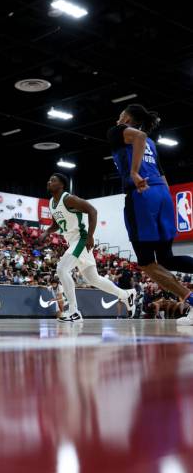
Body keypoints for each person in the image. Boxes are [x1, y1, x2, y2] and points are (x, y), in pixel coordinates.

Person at [108, 103, 193, 325]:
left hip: (141, 195)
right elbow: (162, 175)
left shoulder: (118, 131)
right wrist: (164, 200)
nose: (118, 119)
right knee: (166, 259)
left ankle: (190, 298)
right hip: (163, 194)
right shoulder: (152, 145)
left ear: (127, 118)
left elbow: (139, 137)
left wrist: (134, 172)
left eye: (120, 115)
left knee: (146, 263)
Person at [41, 173, 136, 322]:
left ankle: (74, 311)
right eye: (49, 179)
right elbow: (56, 224)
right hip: (72, 242)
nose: (49, 181)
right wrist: (46, 231)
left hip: (81, 239)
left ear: (61, 185)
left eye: (53, 180)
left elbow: (93, 210)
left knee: (62, 269)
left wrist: (91, 236)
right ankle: (126, 295)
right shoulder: (52, 202)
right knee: (93, 279)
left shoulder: (69, 199)